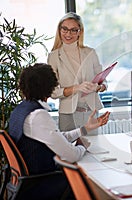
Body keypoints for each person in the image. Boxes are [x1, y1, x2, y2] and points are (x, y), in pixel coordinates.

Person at [9, 63, 110, 199]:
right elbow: (72, 155)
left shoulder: (21, 110)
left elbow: (57, 138)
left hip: (27, 183)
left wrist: (85, 129)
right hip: (41, 184)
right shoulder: (38, 116)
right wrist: (82, 146)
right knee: (93, 181)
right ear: (50, 87)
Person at [48, 12, 107, 135]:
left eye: (73, 30)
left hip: (91, 111)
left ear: (80, 32)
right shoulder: (54, 56)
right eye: (64, 29)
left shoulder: (90, 53)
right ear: (59, 30)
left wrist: (99, 87)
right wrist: (76, 88)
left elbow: (103, 80)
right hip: (68, 114)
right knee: (70, 150)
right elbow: (53, 91)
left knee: (94, 148)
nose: (68, 34)